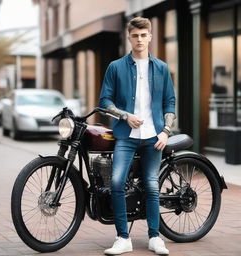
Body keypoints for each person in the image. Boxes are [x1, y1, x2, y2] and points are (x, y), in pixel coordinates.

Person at [99, 17, 176, 255]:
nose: (140, 39)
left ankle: (155, 237)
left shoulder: (162, 68)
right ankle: (123, 238)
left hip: (154, 137)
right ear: (129, 37)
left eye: (144, 35)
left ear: (150, 37)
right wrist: (124, 115)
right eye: (135, 35)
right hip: (127, 135)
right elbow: (105, 101)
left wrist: (166, 131)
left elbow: (170, 103)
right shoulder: (116, 66)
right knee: (116, 182)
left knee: (152, 186)